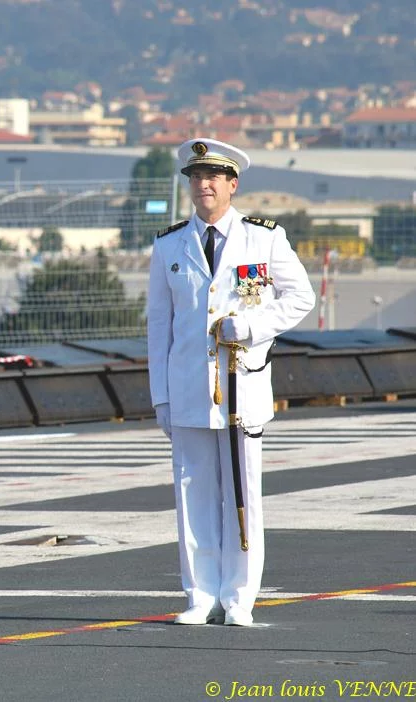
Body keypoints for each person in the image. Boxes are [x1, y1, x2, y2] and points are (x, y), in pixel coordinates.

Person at [146, 137, 315, 627]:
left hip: (243, 385)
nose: (205, 185)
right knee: (192, 494)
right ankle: (200, 596)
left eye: (214, 177)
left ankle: (239, 596)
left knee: (243, 494)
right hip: (188, 388)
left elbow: (299, 297)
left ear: (232, 184)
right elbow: (158, 326)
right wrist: (160, 397)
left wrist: (252, 327)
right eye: (197, 177)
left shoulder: (263, 239)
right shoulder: (169, 245)